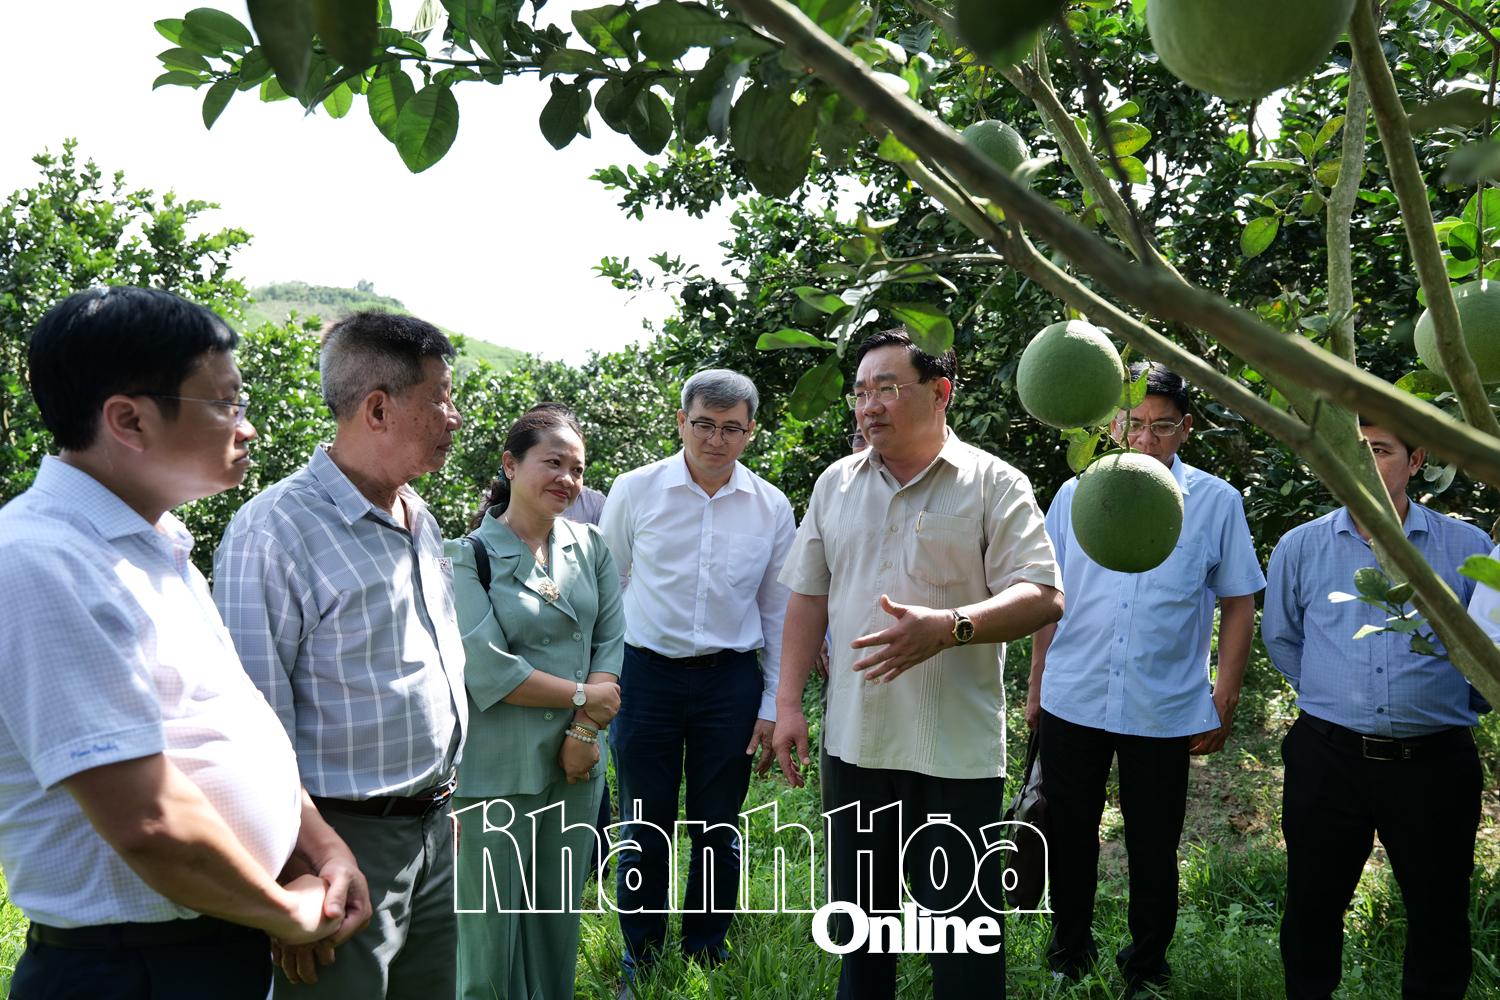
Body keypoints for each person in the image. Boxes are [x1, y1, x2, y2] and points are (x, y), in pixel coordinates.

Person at [0, 287, 368, 998]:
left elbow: (224, 727)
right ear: (129, 419)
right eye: (226, 404)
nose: (249, 427)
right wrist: (284, 913)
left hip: (208, 943)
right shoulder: (39, 561)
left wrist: (318, 845)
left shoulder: (158, 543)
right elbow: (149, 820)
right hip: (131, 967)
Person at [773, 329, 1064, 1000]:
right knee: (861, 936)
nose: (869, 405)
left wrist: (951, 627)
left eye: (887, 388)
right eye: (861, 391)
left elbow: (1043, 594)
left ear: (940, 393)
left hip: (953, 753)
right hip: (855, 745)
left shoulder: (994, 483)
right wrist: (788, 704)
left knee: (962, 936)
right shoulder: (835, 484)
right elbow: (807, 597)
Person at [213, 311, 468, 998]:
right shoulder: (275, 531)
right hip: (339, 840)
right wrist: (295, 860)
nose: (457, 417)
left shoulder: (418, 516)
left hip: (434, 826)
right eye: (442, 397)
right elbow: (254, 724)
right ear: (378, 408)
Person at [1024, 362, 1264, 995]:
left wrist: (1226, 691)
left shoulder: (1213, 502)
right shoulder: (1078, 495)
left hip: (1163, 703)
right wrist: (1036, 685)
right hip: (1074, 695)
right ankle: (1068, 950)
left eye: (1161, 426)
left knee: (1154, 842)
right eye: (1133, 425)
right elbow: (1048, 594)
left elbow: (1240, 598)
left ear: (1185, 429)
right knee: (1068, 832)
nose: (1147, 439)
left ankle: (1147, 965)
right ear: (1112, 427)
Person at [1262, 419, 1490, 1000]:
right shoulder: (1302, 546)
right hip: (1328, 758)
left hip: (1434, 763)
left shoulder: (1466, 548)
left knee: (1439, 915)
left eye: (1380, 451)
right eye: (1351, 451)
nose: (1362, 464)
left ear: (1416, 462)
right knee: (1312, 906)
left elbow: (1489, 645)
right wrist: (1329, 693)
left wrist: (1456, 701)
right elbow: (1283, 637)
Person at [599, 368, 796, 983]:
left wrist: (772, 702)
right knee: (643, 816)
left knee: (720, 821)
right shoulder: (635, 490)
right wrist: (602, 682)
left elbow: (779, 611)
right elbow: (607, 588)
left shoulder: (770, 506)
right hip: (644, 676)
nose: (716, 440)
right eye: (704, 425)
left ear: (750, 432)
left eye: (731, 428)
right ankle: (643, 950)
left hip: (728, 681)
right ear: (681, 422)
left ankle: (707, 945)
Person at [447, 403, 625, 1000]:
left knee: (556, 917)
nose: (567, 480)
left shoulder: (591, 546)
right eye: (553, 463)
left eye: (577, 469)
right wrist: (587, 698)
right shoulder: (464, 555)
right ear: (509, 463)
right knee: (490, 926)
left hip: (575, 769)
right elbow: (489, 670)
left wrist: (584, 731)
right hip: (495, 768)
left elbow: (609, 639)